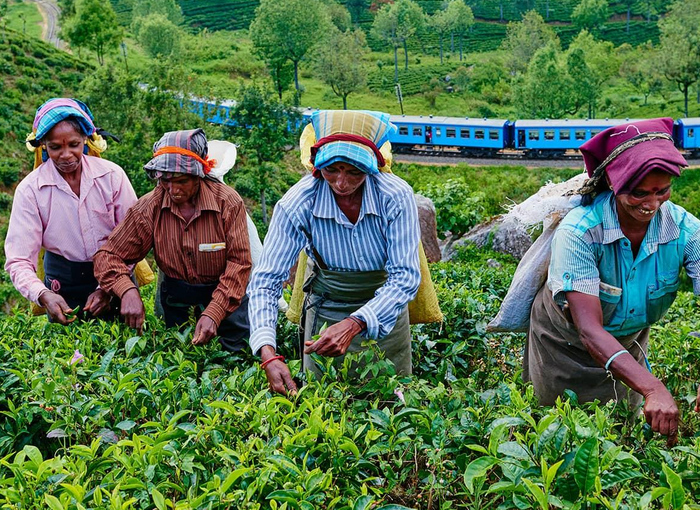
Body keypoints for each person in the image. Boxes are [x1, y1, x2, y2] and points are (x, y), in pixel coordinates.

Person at [524, 118, 700, 445]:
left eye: (662, 190)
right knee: (557, 436)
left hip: (627, 345)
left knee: (618, 438)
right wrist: (653, 387)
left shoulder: (688, 231)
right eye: (638, 193)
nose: (652, 204)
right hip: (562, 348)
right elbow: (590, 329)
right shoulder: (580, 233)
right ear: (614, 184)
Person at [248, 110, 422, 395]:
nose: (342, 183)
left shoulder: (395, 196)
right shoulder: (298, 203)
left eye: (354, 172)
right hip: (327, 309)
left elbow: (404, 278)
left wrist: (356, 322)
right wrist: (268, 353)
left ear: (372, 168)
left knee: (390, 405)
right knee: (326, 404)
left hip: (384, 314)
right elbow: (265, 281)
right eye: (332, 170)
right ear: (318, 166)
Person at [94, 129, 252, 351]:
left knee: (232, 359)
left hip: (227, 300)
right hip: (176, 301)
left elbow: (239, 263)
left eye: (182, 181)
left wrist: (215, 312)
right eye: (165, 180)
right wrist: (126, 290)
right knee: (179, 360)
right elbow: (108, 256)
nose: (173, 189)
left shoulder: (227, 202)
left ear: (199, 174)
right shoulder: (150, 207)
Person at [5, 98, 138, 324]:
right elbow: (18, 260)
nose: (66, 155)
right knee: (70, 354)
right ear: (44, 145)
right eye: (56, 147)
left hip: (117, 276)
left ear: (86, 139)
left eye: (73, 145)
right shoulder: (31, 191)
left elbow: (133, 238)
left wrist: (108, 287)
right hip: (62, 284)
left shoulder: (111, 176)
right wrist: (44, 294)